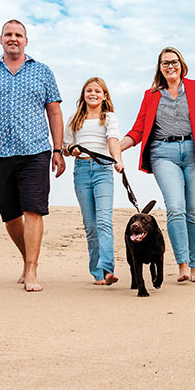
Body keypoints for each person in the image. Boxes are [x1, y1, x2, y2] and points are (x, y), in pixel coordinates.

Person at [120, 47, 195, 283]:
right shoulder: (151, 94)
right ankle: (182, 264)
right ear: (159, 68)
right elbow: (138, 129)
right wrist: (116, 148)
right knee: (175, 208)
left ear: (182, 64)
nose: (170, 66)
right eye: (165, 63)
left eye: (174, 62)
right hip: (163, 153)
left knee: (193, 212)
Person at [0, 20, 64, 292]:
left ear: (26, 40)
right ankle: (27, 260)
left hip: (35, 150)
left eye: (18, 35)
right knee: (10, 215)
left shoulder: (43, 71)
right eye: (8, 34)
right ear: (1, 39)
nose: (13, 38)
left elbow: (55, 112)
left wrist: (57, 150)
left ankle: (32, 270)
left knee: (33, 209)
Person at [62, 77, 124, 286]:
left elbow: (112, 141)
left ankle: (108, 270)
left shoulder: (108, 118)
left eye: (98, 91)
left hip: (103, 170)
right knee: (90, 225)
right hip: (81, 171)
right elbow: (66, 147)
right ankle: (97, 272)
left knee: (104, 220)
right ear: (83, 94)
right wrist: (72, 150)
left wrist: (118, 161)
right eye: (89, 90)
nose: (93, 94)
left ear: (104, 95)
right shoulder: (74, 119)